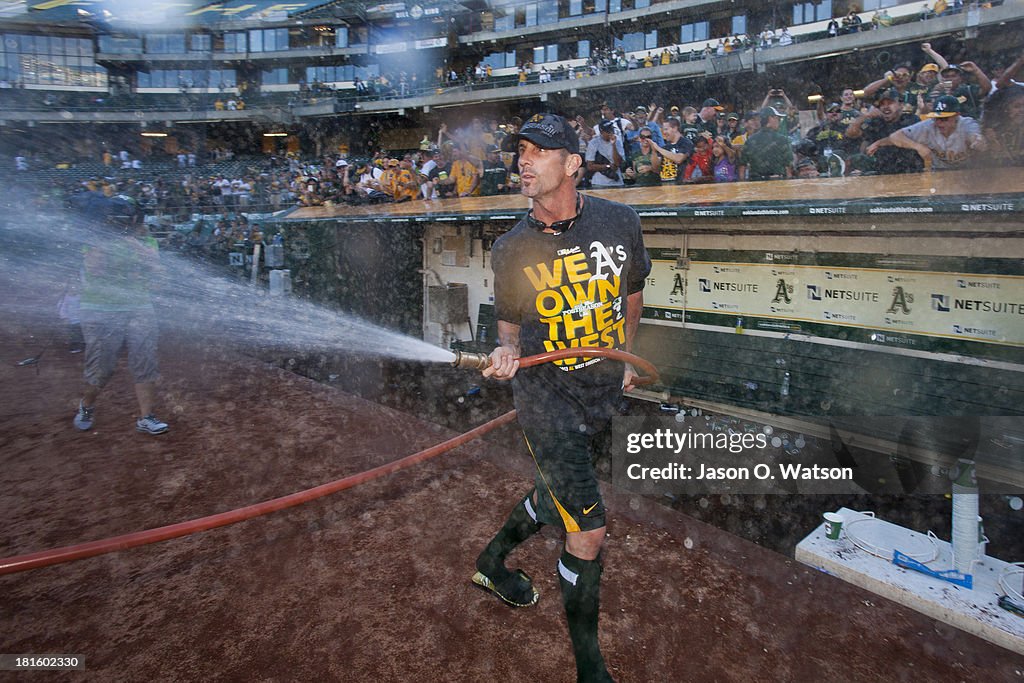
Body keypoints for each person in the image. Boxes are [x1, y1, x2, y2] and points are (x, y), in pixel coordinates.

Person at [473, 112, 651, 683]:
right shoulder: (510, 249)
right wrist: (502, 356)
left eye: (537, 151)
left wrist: (624, 356)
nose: (522, 161)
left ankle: (491, 562)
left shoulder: (620, 223)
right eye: (518, 151)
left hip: (600, 392)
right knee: (589, 529)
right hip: (545, 402)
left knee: (555, 499)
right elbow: (506, 332)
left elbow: (632, 291)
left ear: (572, 164)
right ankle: (590, 670)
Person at [72, 193, 169, 435]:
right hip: (100, 309)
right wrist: (114, 244)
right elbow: (95, 267)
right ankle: (87, 405)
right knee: (102, 367)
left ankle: (147, 417)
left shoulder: (145, 241)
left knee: (145, 361)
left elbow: (158, 269)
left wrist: (130, 242)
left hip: (139, 306)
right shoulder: (94, 238)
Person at [867, 94, 985, 170]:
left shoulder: (967, 123)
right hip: (940, 173)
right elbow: (895, 137)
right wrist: (918, 146)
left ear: (957, 116)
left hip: (968, 173)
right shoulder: (928, 125)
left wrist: (977, 141)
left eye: (944, 119)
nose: (939, 123)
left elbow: (975, 136)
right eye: (937, 118)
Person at [739, 106, 793, 180]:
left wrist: (743, 185)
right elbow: (788, 168)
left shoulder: (750, 140)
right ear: (770, 118)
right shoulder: (782, 140)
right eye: (777, 118)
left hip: (756, 185)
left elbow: (742, 166)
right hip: (778, 183)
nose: (779, 121)